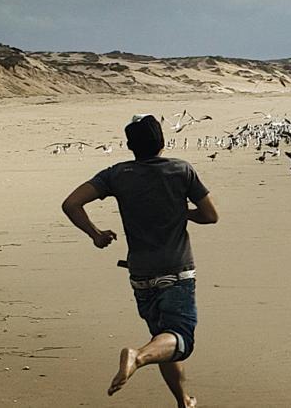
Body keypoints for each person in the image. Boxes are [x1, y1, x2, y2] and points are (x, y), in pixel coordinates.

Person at [61, 114, 218, 408]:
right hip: (176, 272)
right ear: (163, 142)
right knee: (180, 340)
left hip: (141, 276)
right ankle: (138, 356)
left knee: (163, 339)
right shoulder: (181, 170)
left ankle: (183, 400)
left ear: (130, 146)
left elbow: (71, 203)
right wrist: (179, 212)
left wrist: (95, 234)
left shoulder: (117, 174)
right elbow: (210, 215)